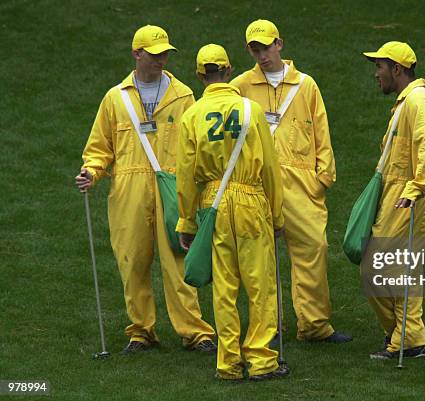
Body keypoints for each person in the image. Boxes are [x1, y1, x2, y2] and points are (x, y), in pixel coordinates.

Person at [75, 25, 216, 355]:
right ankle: (141, 331)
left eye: (166, 53)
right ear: (137, 54)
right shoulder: (115, 98)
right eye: (155, 55)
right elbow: (100, 147)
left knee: (178, 260)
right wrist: (91, 172)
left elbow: (196, 143)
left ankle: (195, 331)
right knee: (132, 261)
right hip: (129, 192)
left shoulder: (183, 95)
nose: (162, 60)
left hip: (174, 189)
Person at [231, 19, 351, 343]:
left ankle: (314, 325)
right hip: (257, 182)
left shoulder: (306, 85)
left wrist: (322, 178)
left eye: (266, 47)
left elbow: (322, 133)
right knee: (261, 260)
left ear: (279, 44)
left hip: (301, 183)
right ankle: (268, 328)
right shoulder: (241, 86)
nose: (261, 55)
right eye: (255, 49)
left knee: (314, 248)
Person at [176, 44, 287, 381]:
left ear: (200, 76)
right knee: (260, 286)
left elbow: (185, 175)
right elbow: (269, 167)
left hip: (213, 203)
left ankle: (228, 363)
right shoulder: (251, 110)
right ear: (228, 71)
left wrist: (186, 220)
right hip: (251, 200)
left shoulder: (191, 115)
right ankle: (262, 360)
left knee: (224, 288)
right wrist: (277, 216)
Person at [362, 41, 425, 359]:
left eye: (379, 67)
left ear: (397, 69)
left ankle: (407, 337)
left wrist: (415, 189)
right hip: (400, 192)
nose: (376, 74)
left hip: (409, 195)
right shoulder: (406, 101)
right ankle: (405, 335)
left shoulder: (417, 101)